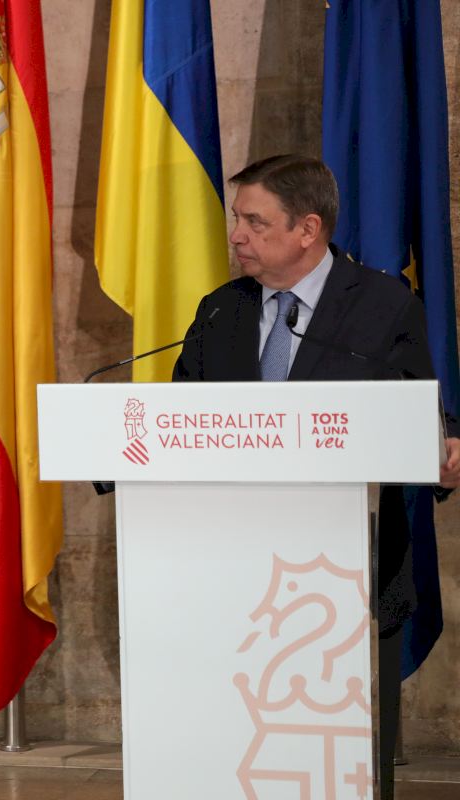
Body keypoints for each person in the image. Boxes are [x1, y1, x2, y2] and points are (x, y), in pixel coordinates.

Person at [173, 153, 460, 798]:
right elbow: (181, 419)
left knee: (329, 754)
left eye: (254, 221)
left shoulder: (385, 303)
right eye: (236, 219)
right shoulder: (220, 310)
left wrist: (442, 451)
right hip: (228, 557)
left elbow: (421, 409)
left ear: (308, 228)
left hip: (346, 562)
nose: (236, 236)